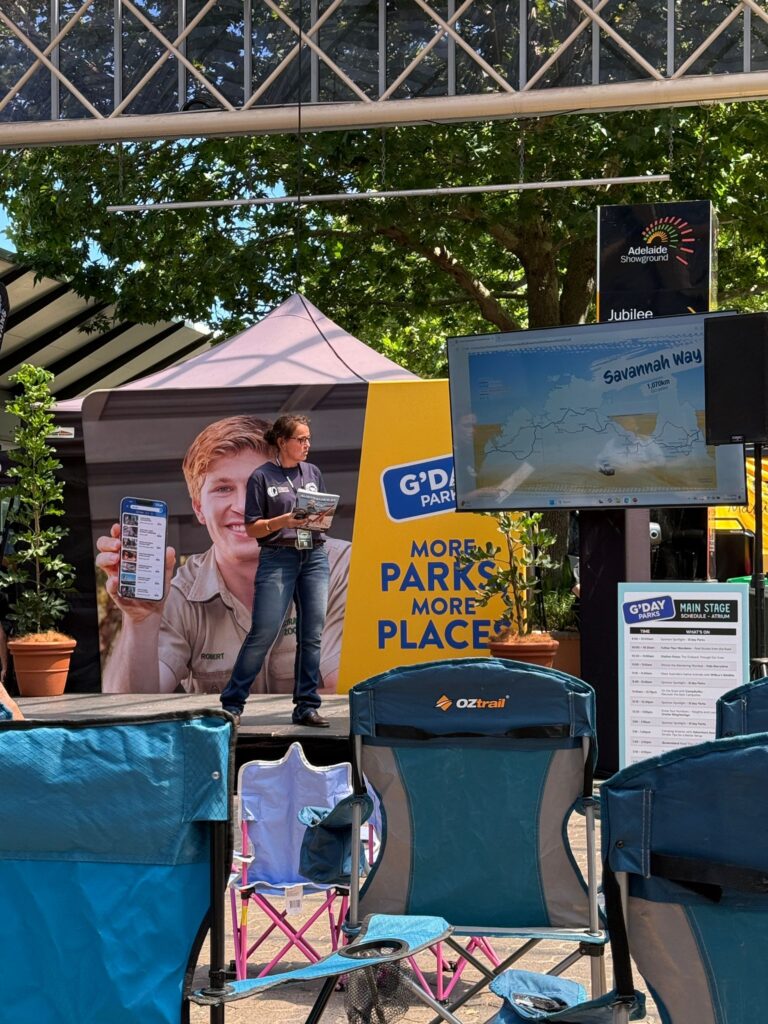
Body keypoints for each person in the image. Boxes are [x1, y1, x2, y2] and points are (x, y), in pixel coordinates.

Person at [96, 416, 350, 696]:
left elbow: (347, 697)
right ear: (199, 509)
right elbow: (128, 708)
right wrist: (139, 621)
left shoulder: (340, 566)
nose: (243, 505)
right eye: (223, 489)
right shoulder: (179, 594)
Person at [220, 414, 332, 727]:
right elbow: (252, 528)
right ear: (282, 442)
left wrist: (320, 518)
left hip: (314, 555)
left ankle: (306, 706)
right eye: (301, 439)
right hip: (278, 557)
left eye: (309, 439)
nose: (307, 444)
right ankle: (232, 704)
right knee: (264, 631)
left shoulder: (312, 472)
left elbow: (322, 515)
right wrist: (284, 521)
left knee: (312, 635)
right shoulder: (262, 476)